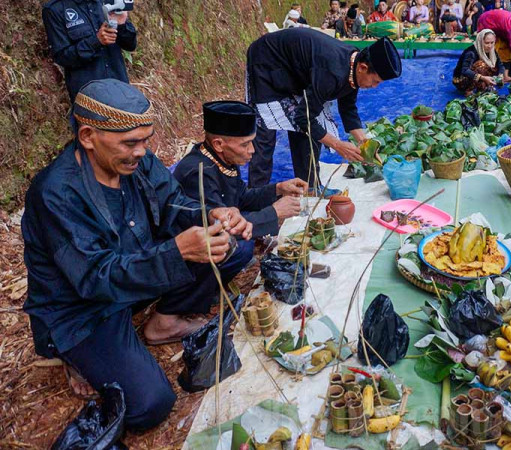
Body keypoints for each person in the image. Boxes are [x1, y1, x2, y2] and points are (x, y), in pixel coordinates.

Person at [22, 80, 254, 429]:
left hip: (136, 269)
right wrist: (177, 253)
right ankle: (75, 355)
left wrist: (209, 215)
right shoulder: (56, 193)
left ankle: (165, 320)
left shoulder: (135, 161)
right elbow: (95, 277)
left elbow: (172, 200)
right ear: (88, 136)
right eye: (131, 142)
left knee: (232, 246)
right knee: (150, 405)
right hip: (85, 306)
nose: (142, 151)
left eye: (146, 140)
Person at [246, 30, 401, 193]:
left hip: (297, 71)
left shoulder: (353, 65)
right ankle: (256, 194)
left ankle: (310, 186)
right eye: (375, 81)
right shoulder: (332, 72)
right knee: (265, 133)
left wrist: (363, 141)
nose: (374, 87)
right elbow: (303, 118)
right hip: (267, 61)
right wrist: (337, 144)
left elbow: (348, 107)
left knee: (312, 127)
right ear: (363, 67)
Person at [174, 102, 308, 239]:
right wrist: (275, 213)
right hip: (201, 247)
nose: (252, 150)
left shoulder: (224, 159)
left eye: (252, 142)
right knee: (244, 248)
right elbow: (221, 230)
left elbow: (242, 198)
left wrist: (278, 189)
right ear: (218, 144)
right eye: (245, 144)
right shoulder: (199, 174)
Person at [42, 0, 137, 103]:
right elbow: (62, 57)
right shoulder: (54, 9)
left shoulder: (109, 2)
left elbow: (131, 45)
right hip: (89, 100)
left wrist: (121, 24)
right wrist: (96, 41)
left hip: (121, 90)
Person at [453, 29, 504, 94]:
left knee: (492, 66)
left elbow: (500, 64)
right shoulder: (471, 52)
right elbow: (464, 70)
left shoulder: (492, 51)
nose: (490, 46)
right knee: (481, 64)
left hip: (477, 76)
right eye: (487, 43)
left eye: (492, 42)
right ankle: (469, 90)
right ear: (481, 41)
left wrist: (500, 75)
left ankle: (483, 85)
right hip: (461, 80)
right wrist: (483, 78)